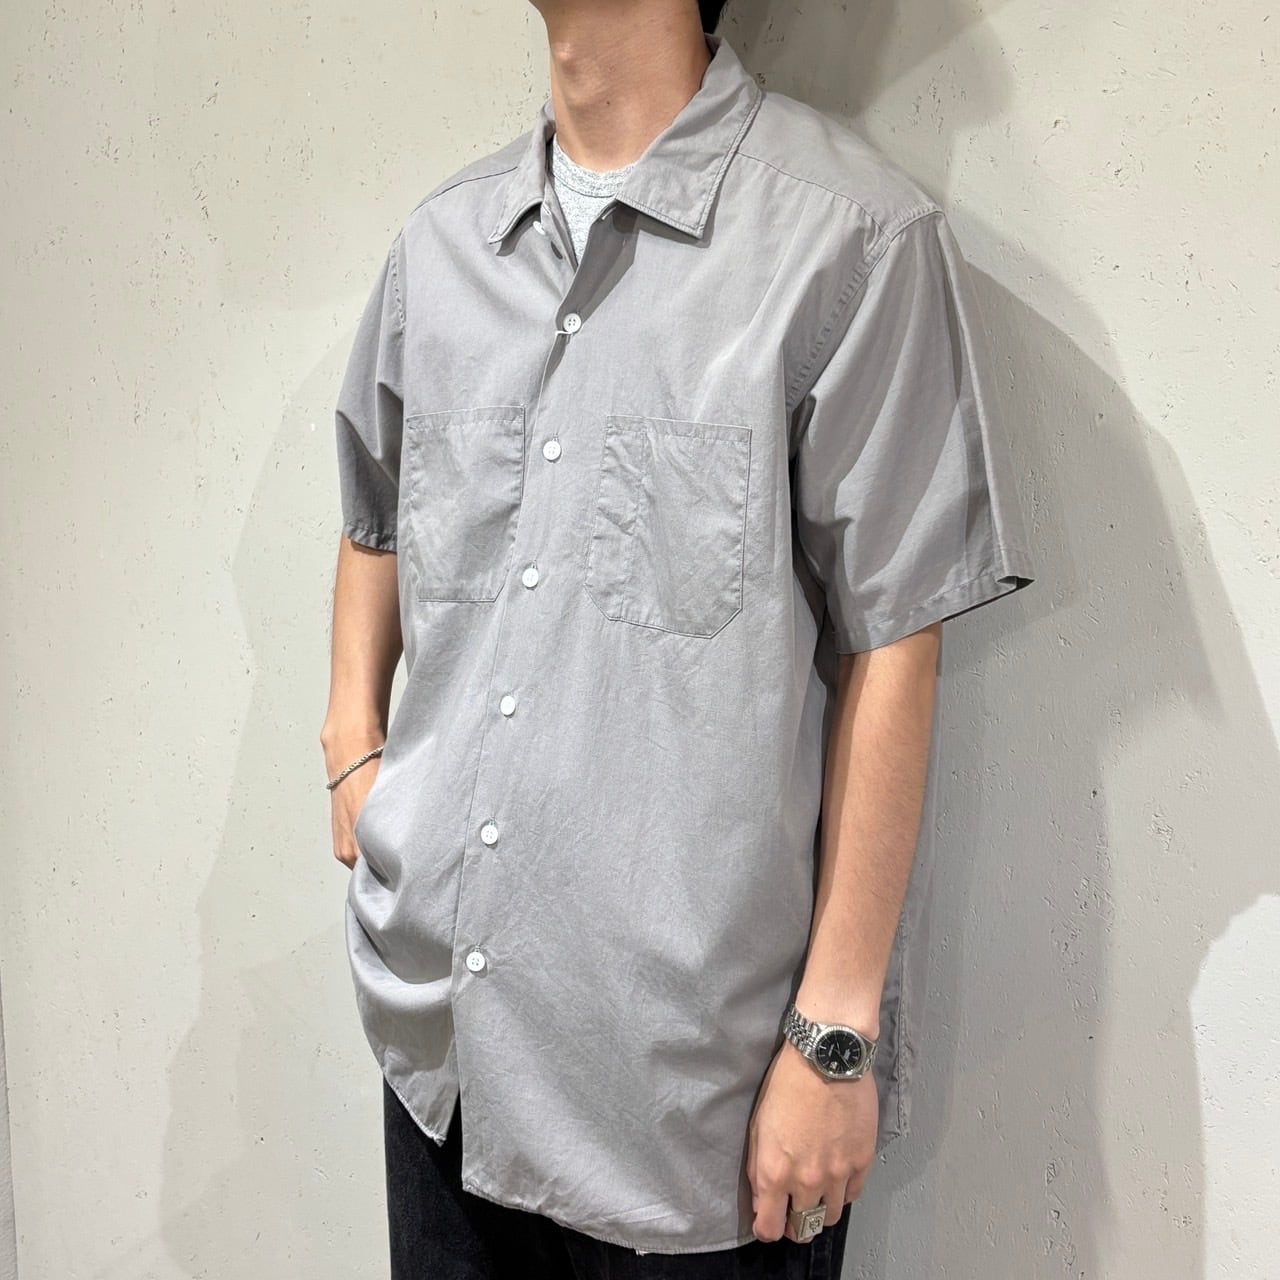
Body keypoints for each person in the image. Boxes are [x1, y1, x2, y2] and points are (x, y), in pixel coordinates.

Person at [321, 0, 1036, 1276]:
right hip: (447, 1051)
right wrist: (351, 741)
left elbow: (894, 641)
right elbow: (378, 509)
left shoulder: (848, 241)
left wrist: (834, 1040)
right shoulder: (442, 245)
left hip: (697, 1110)